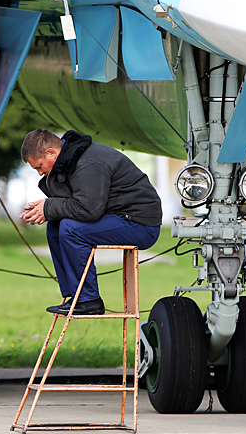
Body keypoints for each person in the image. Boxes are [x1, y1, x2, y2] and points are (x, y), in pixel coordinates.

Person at [19, 129, 162, 315]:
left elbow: (89, 209)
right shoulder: (72, 158)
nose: (39, 173)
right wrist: (46, 209)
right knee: (55, 226)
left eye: (39, 166)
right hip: (118, 216)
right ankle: (74, 295)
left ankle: (89, 300)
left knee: (71, 229)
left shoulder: (88, 162)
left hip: (140, 225)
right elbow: (76, 202)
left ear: (52, 153)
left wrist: (48, 207)